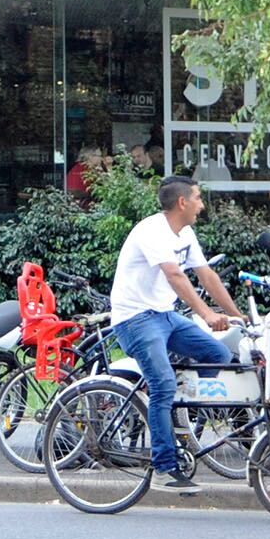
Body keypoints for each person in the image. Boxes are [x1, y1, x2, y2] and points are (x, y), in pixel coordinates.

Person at [109, 175, 247, 494]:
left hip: (165, 316)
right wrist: (208, 315)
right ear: (182, 202)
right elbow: (174, 275)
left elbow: (206, 275)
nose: (201, 204)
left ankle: (180, 415)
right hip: (135, 320)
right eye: (198, 198)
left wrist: (237, 315)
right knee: (163, 384)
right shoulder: (152, 231)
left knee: (219, 356)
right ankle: (163, 467)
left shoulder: (184, 231)